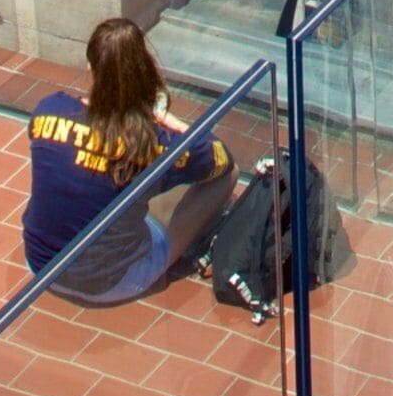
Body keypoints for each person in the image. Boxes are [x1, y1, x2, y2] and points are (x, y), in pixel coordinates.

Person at [22, 16, 238, 306]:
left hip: (41, 265)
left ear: (90, 67)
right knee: (227, 176)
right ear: (143, 73)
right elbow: (221, 158)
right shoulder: (153, 142)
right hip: (114, 282)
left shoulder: (48, 110)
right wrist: (172, 125)